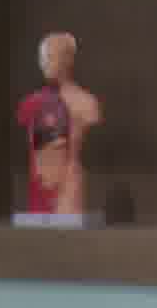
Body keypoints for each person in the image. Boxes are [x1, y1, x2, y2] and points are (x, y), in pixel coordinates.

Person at [17, 31, 102, 214]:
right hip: (40, 184)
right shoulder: (31, 103)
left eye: (50, 56)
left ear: (68, 59)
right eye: (42, 58)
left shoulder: (85, 102)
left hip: (68, 187)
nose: (44, 63)